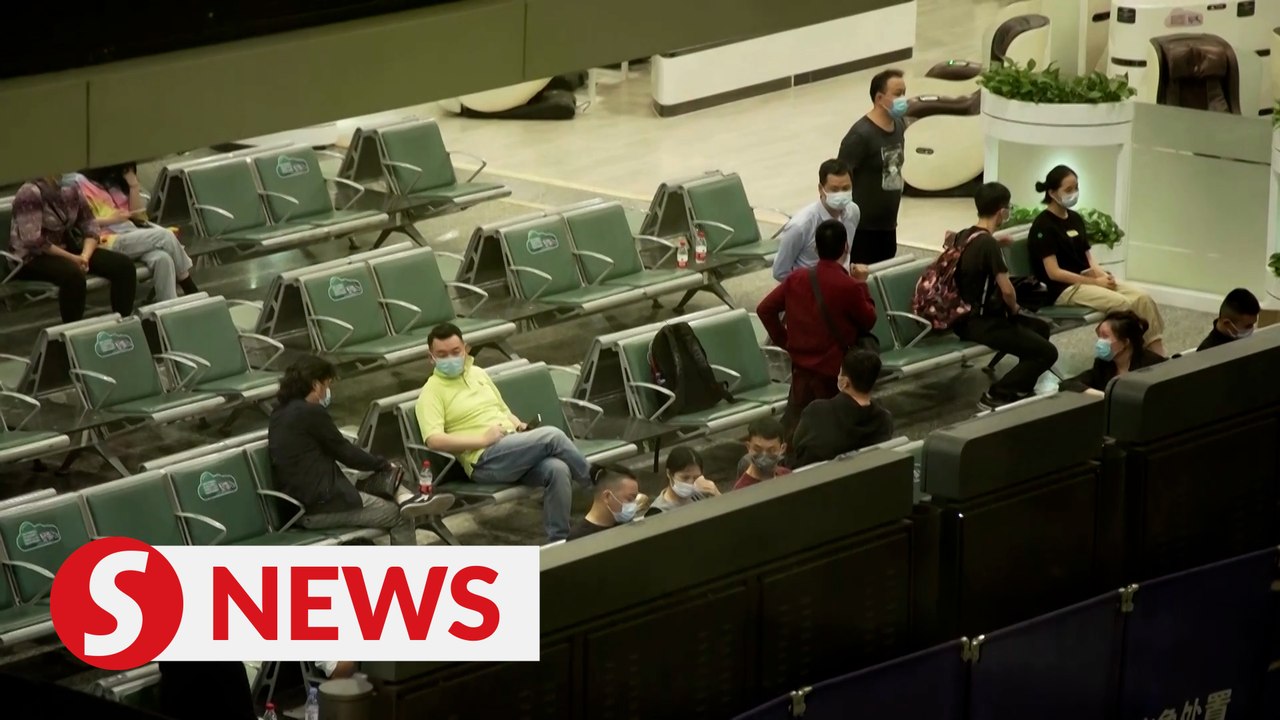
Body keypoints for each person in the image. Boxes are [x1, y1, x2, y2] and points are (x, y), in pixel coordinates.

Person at [416, 322, 594, 541]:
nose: (450, 358)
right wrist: (482, 440)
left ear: (466, 349)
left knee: (557, 469)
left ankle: (558, 540)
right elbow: (433, 440)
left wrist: (518, 425)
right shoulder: (431, 392)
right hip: (484, 460)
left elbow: (502, 410)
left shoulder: (478, 374)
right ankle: (603, 487)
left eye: (455, 352)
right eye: (442, 355)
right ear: (431, 358)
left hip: (511, 447)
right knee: (553, 436)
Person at [268, 356, 447, 546]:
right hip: (321, 507)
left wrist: (378, 465)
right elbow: (346, 453)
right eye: (327, 385)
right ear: (316, 384)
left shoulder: (278, 414)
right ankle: (407, 506)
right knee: (400, 516)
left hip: (298, 507)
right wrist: (383, 464)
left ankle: (406, 497)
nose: (327, 391)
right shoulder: (310, 412)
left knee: (368, 474)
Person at [1028, 165, 1166, 356]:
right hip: (1064, 289)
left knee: (1143, 298)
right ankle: (1132, 355)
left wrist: (1103, 276)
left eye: (1076, 188)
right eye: (1068, 190)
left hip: (1088, 279)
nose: (1074, 193)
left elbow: (1088, 258)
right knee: (1122, 304)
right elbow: (1054, 273)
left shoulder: (1075, 219)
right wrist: (1095, 282)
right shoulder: (1043, 226)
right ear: (1052, 193)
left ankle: (1157, 353)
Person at [757, 220, 879, 436]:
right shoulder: (850, 286)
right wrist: (861, 283)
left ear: (815, 247)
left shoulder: (796, 278)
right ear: (846, 247)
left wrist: (786, 342)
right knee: (833, 430)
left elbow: (764, 309)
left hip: (801, 370)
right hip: (834, 372)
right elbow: (868, 320)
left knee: (797, 428)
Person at [952, 182, 1060, 410]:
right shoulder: (988, 245)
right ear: (1002, 211)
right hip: (983, 323)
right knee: (1047, 353)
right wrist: (1015, 310)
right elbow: (1007, 291)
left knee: (1040, 328)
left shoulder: (964, 235)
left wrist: (996, 242)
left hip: (963, 318)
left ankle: (1021, 387)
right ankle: (997, 393)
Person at [7, 176, 136, 323]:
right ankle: (72, 329)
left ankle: (124, 322)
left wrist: (85, 256)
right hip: (30, 257)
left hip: (66, 247)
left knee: (124, 266)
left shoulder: (70, 188)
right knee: (74, 276)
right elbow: (33, 240)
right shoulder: (29, 193)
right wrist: (73, 258)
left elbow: (89, 223)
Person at [64, 163, 198, 303]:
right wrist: (111, 220)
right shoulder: (77, 183)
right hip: (106, 240)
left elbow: (139, 216)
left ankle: (170, 306)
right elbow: (77, 222)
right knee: (165, 236)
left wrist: (133, 186)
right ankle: (188, 285)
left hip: (131, 233)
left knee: (163, 259)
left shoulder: (112, 183)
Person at [837, 68, 908, 265]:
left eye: (904, 93)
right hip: (863, 228)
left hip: (888, 224)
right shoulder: (861, 135)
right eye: (898, 94)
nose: (903, 99)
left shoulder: (899, 125)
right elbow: (839, 176)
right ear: (879, 98)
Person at [791, 349, 895, 468]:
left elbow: (797, 445)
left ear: (845, 382)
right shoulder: (884, 420)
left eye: (840, 372)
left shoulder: (817, 411)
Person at [771, 159, 867, 281]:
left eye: (845, 188)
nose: (841, 194)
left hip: (842, 284)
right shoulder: (800, 226)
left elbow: (845, 255)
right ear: (821, 189)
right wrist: (809, 287)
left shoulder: (853, 212)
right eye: (834, 189)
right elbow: (780, 272)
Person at [1063, 310, 1166, 396]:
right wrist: (1102, 395)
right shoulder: (1103, 364)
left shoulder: (1153, 365)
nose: (1100, 342)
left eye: (1105, 336)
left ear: (1125, 342)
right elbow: (1068, 384)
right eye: (1099, 336)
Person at [568, 466, 648, 540]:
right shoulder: (578, 538)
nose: (633, 505)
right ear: (607, 496)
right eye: (630, 499)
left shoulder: (627, 525)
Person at [646, 446, 720, 516]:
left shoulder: (702, 493)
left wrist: (717, 494)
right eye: (685, 478)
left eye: (695, 477)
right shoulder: (657, 512)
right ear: (669, 474)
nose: (690, 483)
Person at [734, 417, 791, 490]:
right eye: (757, 450)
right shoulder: (742, 490)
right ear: (748, 447)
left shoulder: (787, 475)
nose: (764, 456)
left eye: (771, 450)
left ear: (782, 449)